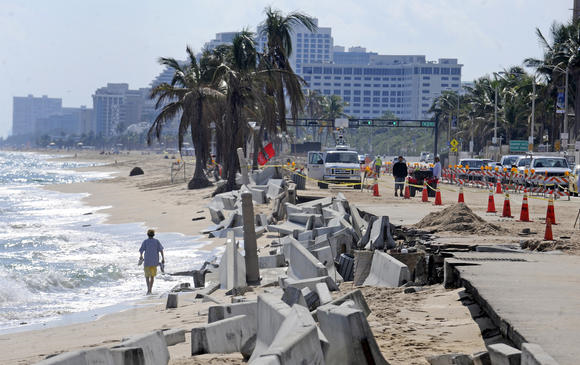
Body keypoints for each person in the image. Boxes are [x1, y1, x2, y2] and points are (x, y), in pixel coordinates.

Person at [139, 229, 165, 295]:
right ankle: (150, 289)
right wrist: (163, 258)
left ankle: (148, 290)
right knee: (152, 276)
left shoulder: (145, 241)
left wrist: (141, 256)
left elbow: (141, 250)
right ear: (154, 234)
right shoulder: (156, 241)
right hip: (154, 261)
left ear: (147, 234)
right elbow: (161, 250)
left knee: (147, 276)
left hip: (147, 261)